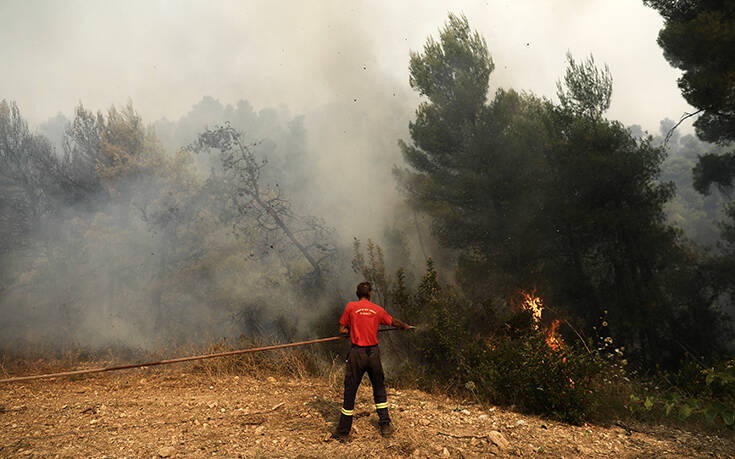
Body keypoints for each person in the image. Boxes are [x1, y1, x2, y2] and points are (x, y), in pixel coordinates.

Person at [335, 281, 412, 440]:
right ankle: (385, 424)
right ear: (370, 294)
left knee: (350, 391)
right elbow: (393, 322)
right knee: (378, 388)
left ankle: (343, 432)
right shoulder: (377, 309)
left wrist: (351, 330)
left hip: (357, 354)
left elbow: (342, 330)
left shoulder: (351, 307)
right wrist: (404, 326)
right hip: (373, 355)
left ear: (358, 294)